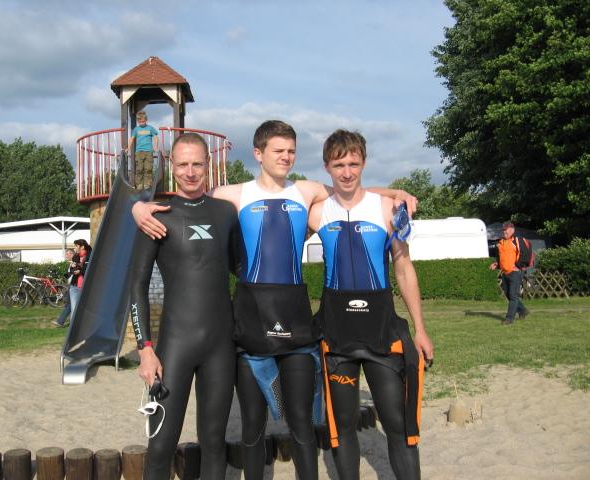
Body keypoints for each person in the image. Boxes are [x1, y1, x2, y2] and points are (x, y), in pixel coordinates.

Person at [132, 120, 418, 479]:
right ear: (258, 153)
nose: (286, 156)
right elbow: (146, 269)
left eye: (291, 151)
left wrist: (396, 192)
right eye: (278, 150)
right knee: (206, 435)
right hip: (218, 333)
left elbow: (350, 189)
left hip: (269, 332)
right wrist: (137, 206)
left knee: (267, 431)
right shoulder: (222, 199)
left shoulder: (297, 192)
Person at [310, 129, 433, 480]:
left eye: (354, 164)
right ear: (327, 167)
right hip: (337, 336)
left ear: (364, 163)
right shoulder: (317, 212)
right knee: (342, 425)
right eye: (339, 165)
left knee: (397, 422)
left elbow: (404, 268)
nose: (347, 172)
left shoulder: (387, 209)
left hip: (382, 333)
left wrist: (420, 330)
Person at [129, 133, 239, 479]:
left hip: (220, 346)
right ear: (171, 165)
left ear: (208, 165)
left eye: (197, 164)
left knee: (214, 443)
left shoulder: (226, 213)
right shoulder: (156, 215)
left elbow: (243, 269)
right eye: (182, 164)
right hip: (175, 347)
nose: (190, 172)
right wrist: (145, 349)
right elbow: (137, 286)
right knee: (161, 445)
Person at [489, 221, 530, 325]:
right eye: (503, 230)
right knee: (508, 294)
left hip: (515, 272)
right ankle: (523, 311)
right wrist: (497, 264)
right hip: (505, 272)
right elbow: (502, 257)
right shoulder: (501, 242)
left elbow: (525, 254)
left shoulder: (517, 240)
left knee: (513, 295)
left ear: (512, 230)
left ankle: (509, 319)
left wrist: (518, 266)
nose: (504, 232)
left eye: (506, 229)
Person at [127, 110, 160, 190]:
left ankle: (147, 184)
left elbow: (155, 137)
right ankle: (139, 184)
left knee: (148, 168)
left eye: (143, 121)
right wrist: (128, 148)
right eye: (140, 122)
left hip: (148, 151)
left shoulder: (150, 128)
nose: (141, 123)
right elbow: (131, 139)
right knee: (139, 169)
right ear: (138, 121)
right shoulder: (136, 129)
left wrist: (155, 146)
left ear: (146, 120)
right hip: (139, 152)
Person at [52, 248, 75, 328]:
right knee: (69, 304)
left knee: (70, 305)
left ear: (72, 254)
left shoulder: (74, 263)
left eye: (68, 254)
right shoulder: (71, 263)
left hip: (74, 286)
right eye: (66, 254)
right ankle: (61, 321)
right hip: (71, 286)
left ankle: (60, 321)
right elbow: (69, 275)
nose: (66, 255)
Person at [69, 239, 91, 315]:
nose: (74, 248)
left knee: (87, 310)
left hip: (87, 287)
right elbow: (71, 271)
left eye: (76, 246)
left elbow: (90, 269)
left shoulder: (91, 256)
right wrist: (72, 267)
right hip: (74, 287)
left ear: (82, 247)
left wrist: (80, 271)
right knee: (74, 311)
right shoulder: (75, 256)